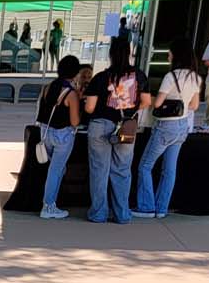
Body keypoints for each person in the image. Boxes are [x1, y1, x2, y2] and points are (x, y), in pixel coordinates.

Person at [83, 35, 152, 225]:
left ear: (111, 54)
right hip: (126, 127)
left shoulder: (101, 77)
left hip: (100, 125)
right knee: (122, 170)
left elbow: (89, 107)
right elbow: (146, 102)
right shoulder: (139, 76)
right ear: (129, 53)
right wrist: (130, 110)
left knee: (99, 170)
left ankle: (98, 213)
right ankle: (122, 214)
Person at [133, 39, 201, 219]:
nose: (168, 56)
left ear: (176, 55)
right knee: (169, 170)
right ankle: (161, 208)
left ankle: (146, 207)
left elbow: (157, 103)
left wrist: (152, 97)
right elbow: (194, 105)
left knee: (145, 166)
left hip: (165, 126)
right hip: (182, 125)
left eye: (170, 53)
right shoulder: (195, 77)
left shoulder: (171, 77)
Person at [37, 54, 83, 220]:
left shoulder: (48, 87)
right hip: (62, 134)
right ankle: (49, 205)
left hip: (45, 132)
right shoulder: (70, 94)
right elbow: (75, 121)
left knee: (55, 169)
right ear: (76, 73)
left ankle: (51, 201)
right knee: (56, 170)